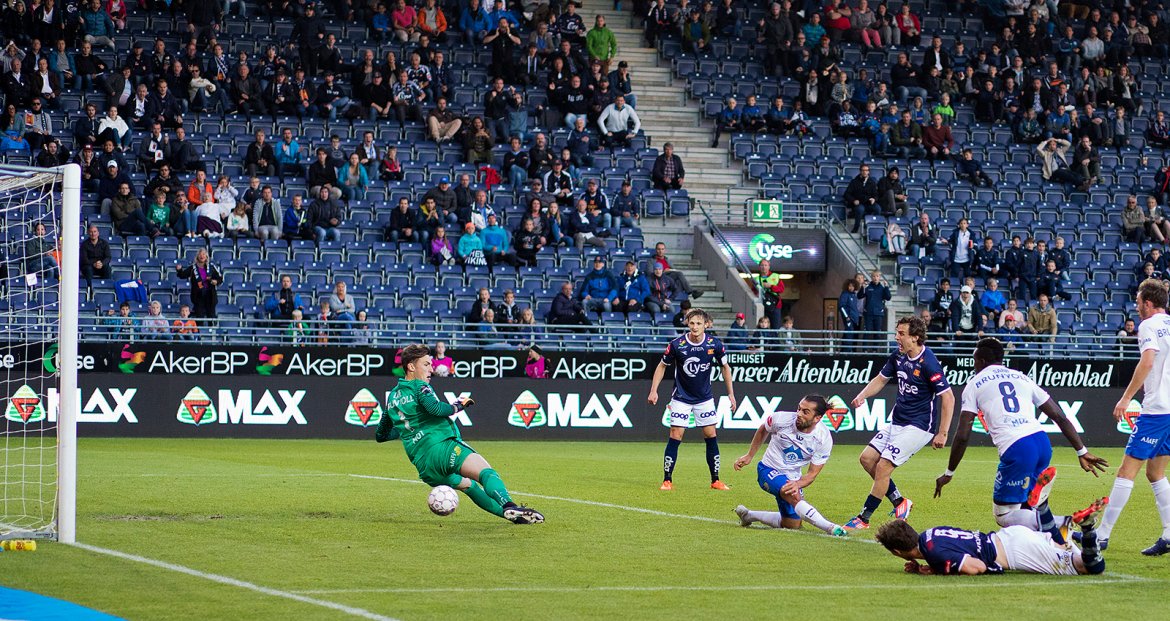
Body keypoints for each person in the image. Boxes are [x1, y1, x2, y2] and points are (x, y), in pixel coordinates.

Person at [935, 338, 1109, 542]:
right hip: (1041, 442)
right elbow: (1059, 416)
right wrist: (1081, 451)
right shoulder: (1022, 378)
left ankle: (1066, 522)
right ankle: (1062, 539)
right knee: (1028, 506)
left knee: (1004, 515)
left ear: (981, 361)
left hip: (1017, 448)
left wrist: (949, 472)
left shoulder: (974, 384)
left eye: (974, 361)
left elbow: (963, 434)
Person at [377, 343, 544, 524]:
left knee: (470, 486)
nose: (431, 369)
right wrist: (458, 406)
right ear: (411, 366)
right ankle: (509, 505)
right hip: (442, 448)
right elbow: (435, 408)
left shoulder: (392, 398)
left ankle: (513, 517)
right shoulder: (419, 386)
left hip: (426, 468)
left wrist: (406, 431)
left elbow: (381, 435)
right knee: (486, 473)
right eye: (426, 364)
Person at [845, 316, 955, 530]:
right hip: (897, 422)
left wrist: (942, 433)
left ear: (915, 338)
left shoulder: (929, 363)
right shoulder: (898, 356)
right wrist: (862, 396)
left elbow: (948, 397)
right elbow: (881, 379)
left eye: (901, 334)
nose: (897, 337)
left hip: (919, 426)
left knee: (884, 467)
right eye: (897, 333)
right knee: (867, 459)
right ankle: (899, 502)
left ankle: (863, 518)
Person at [1092, 279, 1170, 555]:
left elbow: (1147, 361)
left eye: (1138, 302)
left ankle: (1101, 535)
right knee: (1155, 472)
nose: (1136, 307)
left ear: (1148, 303)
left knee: (1127, 471)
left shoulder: (1149, 325)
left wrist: (1126, 399)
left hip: (1157, 410)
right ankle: (1169, 533)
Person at [733, 394, 847, 537]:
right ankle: (830, 528)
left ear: (817, 418)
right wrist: (750, 455)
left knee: (792, 525)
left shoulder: (823, 439)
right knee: (793, 496)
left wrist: (798, 483)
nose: (799, 414)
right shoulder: (781, 419)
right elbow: (763, 429)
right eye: (799, 409)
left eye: (805, 412)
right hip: (768, 469)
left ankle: (748, 516)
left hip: (793, 477)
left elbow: (812, 475)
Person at [648, 307, 736, 491]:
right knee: (675, 435)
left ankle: (715, 480)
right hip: (681, 398)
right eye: (692, 323)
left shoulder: (714, 344)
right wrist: (653, 390)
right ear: (687, 324)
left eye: (699, 323)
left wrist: (731, 394)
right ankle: (667, 480)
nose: (695, 327)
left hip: (704, 398)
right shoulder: (677, 344)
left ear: (706, 325)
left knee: (711, 435)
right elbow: (662, 366)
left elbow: (725, 368)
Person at [875, 511, 1109, 576]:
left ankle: (1086, 528)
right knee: (1064, 547)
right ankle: (1061, 529)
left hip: (1015, 552)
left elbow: (977, 567)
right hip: (1007, 535)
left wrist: (935, 570)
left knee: (1089, 568)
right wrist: (928, 568)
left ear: (897, 551)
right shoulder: (930, 534)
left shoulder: (933, 553)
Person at [176, 248, 222, 319]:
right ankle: (199, 330)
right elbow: (182, 275)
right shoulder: (192, 268)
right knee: (199, 317)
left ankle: (211, 330)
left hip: (210, 296)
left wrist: (216, 281)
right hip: (198, 297)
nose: (202, 256)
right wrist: (179, 270)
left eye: (203, 254)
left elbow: (220, 278)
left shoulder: (212, 267)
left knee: (211, 317)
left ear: (206, 256)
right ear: (197, 256)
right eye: (200, 254)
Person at [754, 259, 784, 329]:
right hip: (762, 305)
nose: (764, 267)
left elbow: (781, 289)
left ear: (769, 267)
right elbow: (753, 291)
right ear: (759, 267)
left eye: (765, 265)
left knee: (775, 327)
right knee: (762, 327)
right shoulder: (756, 279)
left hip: (775, 305)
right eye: (762, 265)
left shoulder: (775, 276)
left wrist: (771, 286)